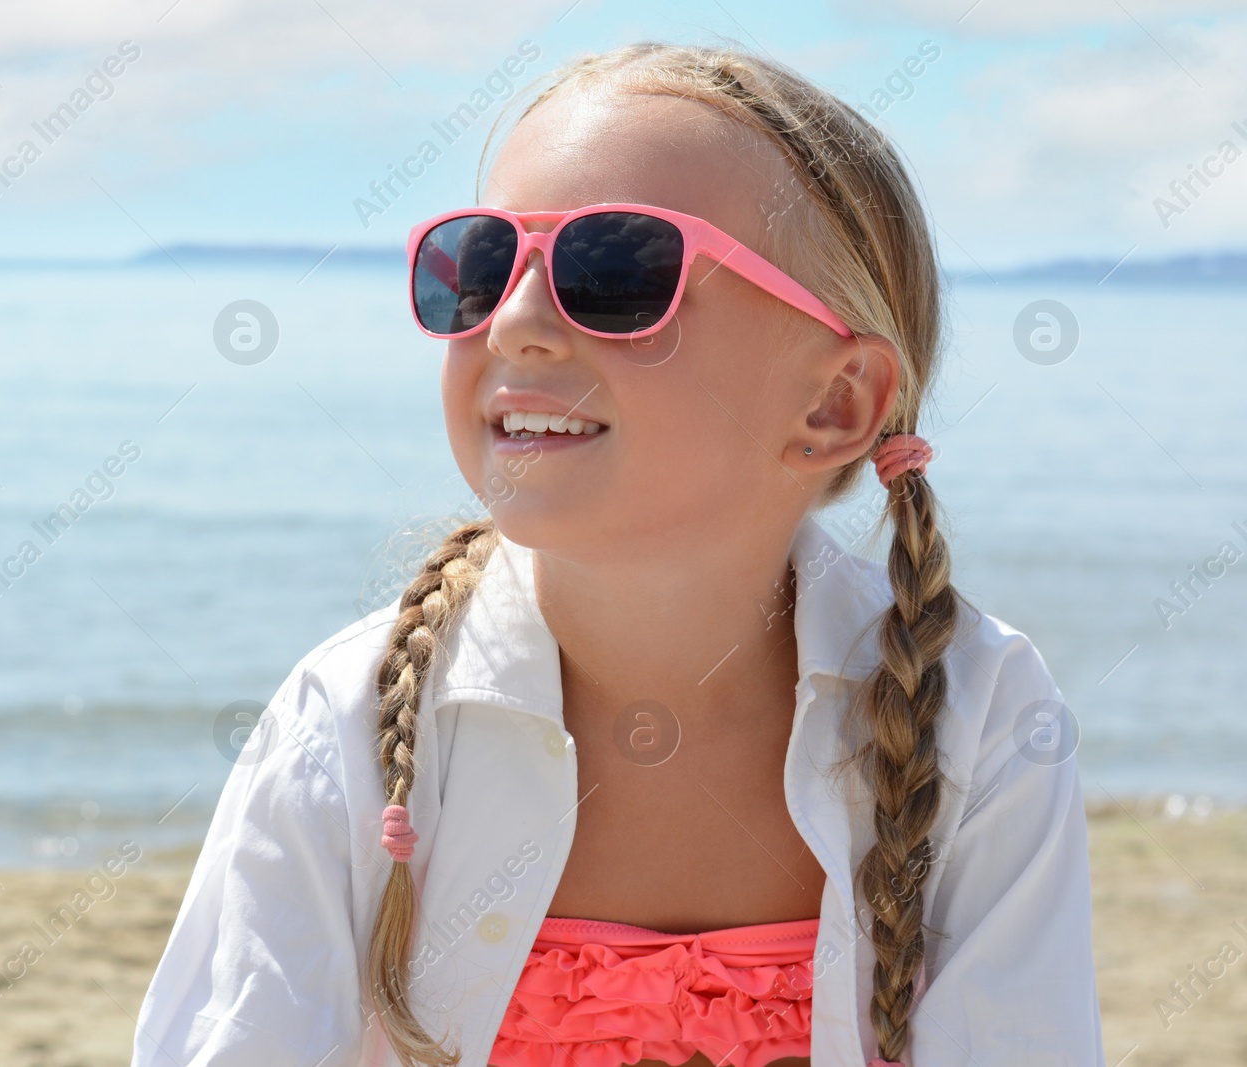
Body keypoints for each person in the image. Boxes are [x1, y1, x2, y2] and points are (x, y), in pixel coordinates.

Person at [131, 41, 1103, 1067]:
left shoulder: (977, 712)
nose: (514, 322)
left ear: (834, 402)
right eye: (481, 264)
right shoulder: (348, 726)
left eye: (617, 269)